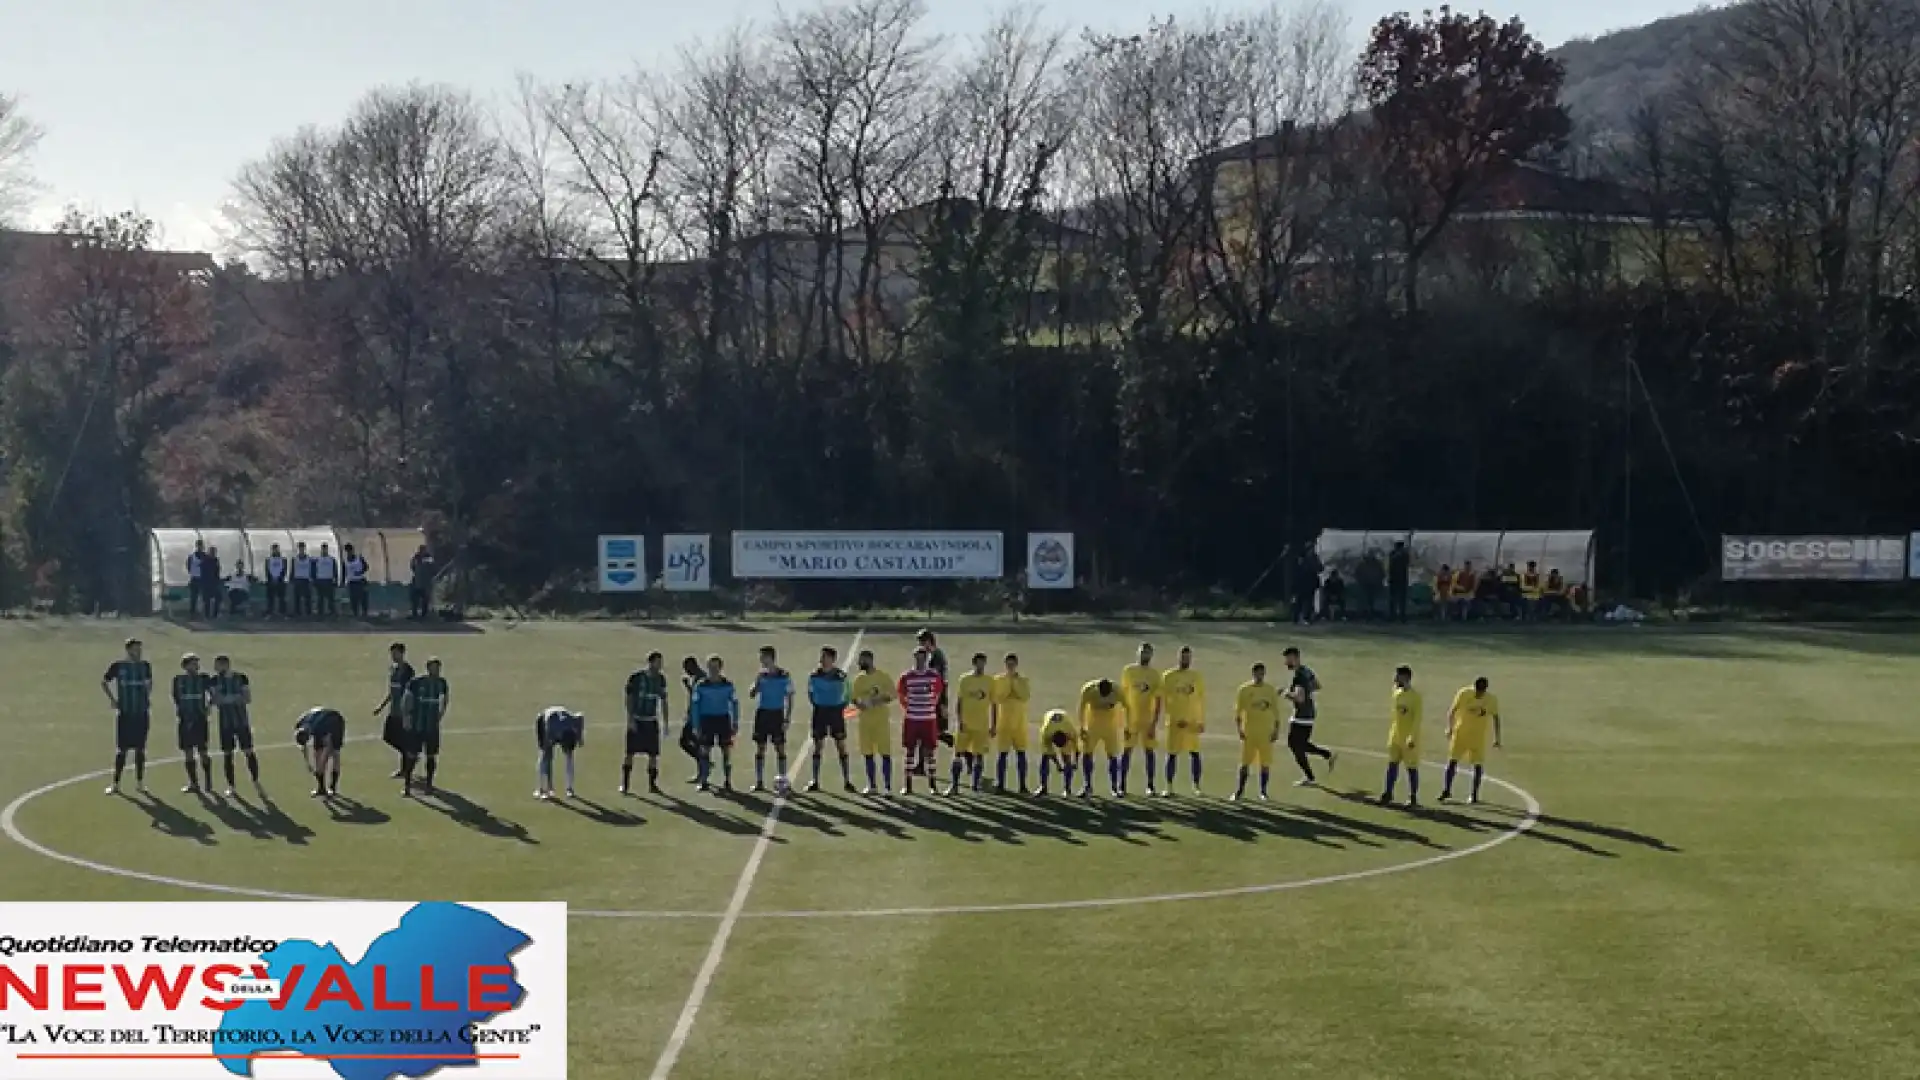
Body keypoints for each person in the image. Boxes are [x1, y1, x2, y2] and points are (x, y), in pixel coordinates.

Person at [102, 638, 154, 796]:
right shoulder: (118, 666)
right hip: (125, 714)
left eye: (140, 649)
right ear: (128, 650)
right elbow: (104, 682)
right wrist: (113, 700)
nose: (139, 652)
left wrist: (146, 697)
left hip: (141, 713)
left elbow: (149, 684)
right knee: (121, 750)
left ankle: (140, 783)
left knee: (140, 749)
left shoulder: (145, 666)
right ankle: (115, 784)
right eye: (136, 649)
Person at [1442, 677, 1502, 804]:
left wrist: (1497, 738)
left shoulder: (1491, 700)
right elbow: (1452, 711)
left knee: (1477, 766)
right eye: (1477, 691)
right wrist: (1449, 727)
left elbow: (1496, 717)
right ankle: (1446, 790)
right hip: (1460, 734)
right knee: (1452, 762)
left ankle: (1474, 795)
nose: (1478, 694)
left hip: (1478, 737)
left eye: (1481, 692)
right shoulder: (1464, 693)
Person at [804, 646, 855, 793]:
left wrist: (841, 706)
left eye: (825, 657)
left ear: (832, 659)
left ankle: (847, 780)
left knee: (841, 745)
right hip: (820, 712)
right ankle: (815, 780)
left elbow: (848, 693)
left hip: (835, 713)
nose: (821, 660)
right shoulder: (814, 675)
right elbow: (810, 693)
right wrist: (818, 704)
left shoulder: (841, 676)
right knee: (818, 745)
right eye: (821, 657)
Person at [1282, 646, 1335, 786]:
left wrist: (1286, 693)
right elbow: (1317, 685)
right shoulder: (1307, 671)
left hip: (1301, 715)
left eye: (1288, 659)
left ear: (1294, 658)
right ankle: (1326, 756)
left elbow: (1299, 698)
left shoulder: (1299, 676)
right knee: (1299, 744)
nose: (1286, 663)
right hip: (1309, 714)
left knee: (1295, 745)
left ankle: (1311, 775)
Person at [1231, 662, 1284, 802]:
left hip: (1266, 733)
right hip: (1249, 733)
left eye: (1262, 673)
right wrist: (1239, 730)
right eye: (1257, 673)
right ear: (1253, 673)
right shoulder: (1244, 690)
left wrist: (1276, 730)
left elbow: (1276, 711)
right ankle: (1239, 791)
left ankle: (1263, 792)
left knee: (1265, 764)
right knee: (1244, 763)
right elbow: (1238, 711)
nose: (1260, 676)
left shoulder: (1270, 690)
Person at [212, 654, 262, 799]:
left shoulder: (241, 678)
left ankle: (256, 781)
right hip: (225, 722)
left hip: (241, 721)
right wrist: (234, 698)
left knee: (248, 751)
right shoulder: (214, 680)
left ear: (225, 665)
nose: (216, 669)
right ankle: (231, 786)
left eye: (218, 665)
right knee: (227, 754)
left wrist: (226, 699)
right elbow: (215, 700)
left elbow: (247, 698)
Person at [896, 648, 945, 795]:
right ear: (914, 657)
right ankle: (907, 785)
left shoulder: (933, 675)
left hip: (928, 719)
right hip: (912, 718)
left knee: (929, 752)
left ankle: (932, 784)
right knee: (910, 751)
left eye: (923, 657)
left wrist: (930, 705)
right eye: (918, 657)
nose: (920, 660)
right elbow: (901, 694)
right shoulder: (906, 676)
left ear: (927, 658)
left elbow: (938, 692)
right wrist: (909, 707)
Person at [400, 658, 450, 797]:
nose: (436, 670)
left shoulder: (442, 683)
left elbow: (445, 698)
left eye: (438, 668)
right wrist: (406, 718)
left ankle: (429, 785)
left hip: (432, 727)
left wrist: (441, 714)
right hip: (417, 726)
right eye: (434, 667)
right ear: (428, 668)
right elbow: (406, 699)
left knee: (431, 756)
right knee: (411, 756)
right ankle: (407, 786)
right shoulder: (416, 683)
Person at [1160, 645, 1206, 796]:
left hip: (1192, 722)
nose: (1186, 660)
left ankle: (1196, 785)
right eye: (1183, 657)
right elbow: (1164, 700)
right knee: (1172, 754)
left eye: (1188, 657)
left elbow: (1200, 699)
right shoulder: (1168, 676)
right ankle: (1169, 786)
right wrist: (1173, 717)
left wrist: (1200, 721)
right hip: (1175, 722)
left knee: (1195, 753)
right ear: (1178, 657)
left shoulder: (1196, 677)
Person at [1119, 642, 1163, 798]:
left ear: (1151, 656)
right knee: (1126, 751)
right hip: (1131, 719)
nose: (1145, 656)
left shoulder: (1155, 675)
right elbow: (1122, 697)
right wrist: (1123, 720)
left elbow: (1158, 701)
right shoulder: (1128, 671)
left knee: (1149, 752)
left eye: (1148, 653)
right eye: (1142, 653)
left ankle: (1150, 786)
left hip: (1147, 719)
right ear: (1137, 653)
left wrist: (1154, 724)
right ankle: (1121, 785)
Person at [622, 652, 670, 795]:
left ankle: (652, 784)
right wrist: (630, 718)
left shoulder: (661, 679)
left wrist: (665, 722)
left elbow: (664, 700)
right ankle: (625, 784)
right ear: (650, 662)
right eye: (658, 662)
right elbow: (629, 698)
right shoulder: (636, 678)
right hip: (637, 719)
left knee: (653, 754)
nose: (660, 666)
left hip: (651, 720)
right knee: (630, 753)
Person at [748, 646, 793, 794]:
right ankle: (759, 781)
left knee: (780, 748)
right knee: (760, 748)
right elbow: (752, 694)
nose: (761, 660)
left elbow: (790, 697)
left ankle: (783, 779)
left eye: (763, 657)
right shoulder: (761, 675)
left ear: (770, 657)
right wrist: (755, 686)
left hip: (777, 714)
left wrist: (787, 718)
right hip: (762, 714)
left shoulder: (784, 675)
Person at [849, 650, 895, 796]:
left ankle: (887, 787)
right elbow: (854, 698)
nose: (860, 663)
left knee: (885, 754)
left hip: (881, 722)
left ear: (870, 660)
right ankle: (872, 785)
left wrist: (875, 701)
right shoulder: (858, 680)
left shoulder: (883, 677)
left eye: (862, 660)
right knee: (867, 754)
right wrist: (860, 704)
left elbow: (892, 695)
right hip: (865, 723)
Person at [690, 655, 739, 792]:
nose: (713, 670)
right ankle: (704, 780)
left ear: (720, 668)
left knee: (726, 751)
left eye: (716, 667)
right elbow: (695, 705)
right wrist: (695, 724)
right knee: (705, 750)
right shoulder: (701, 685)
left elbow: (734, 703)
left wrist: (735, 721)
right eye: (711, 667)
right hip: (706, 720)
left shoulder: (728, 685)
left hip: (723, 719)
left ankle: (727, 781)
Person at [1076, 677, 1129, 799]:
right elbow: (1081, 708)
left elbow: (1128, 707)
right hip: (1093, 725)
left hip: (1110, 727)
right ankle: (1087, 785)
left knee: (1113, 756)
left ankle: (1114, 787)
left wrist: (1127, 726)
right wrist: (1082, 727)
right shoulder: (1088, 689)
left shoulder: (1117, 691)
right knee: (1087, 754)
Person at [951, 653, 994, 794]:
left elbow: (994, 704)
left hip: (982, 725)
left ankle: (975, 785)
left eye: (983, 663)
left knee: (979, 755)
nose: (981, 666)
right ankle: (954, 785)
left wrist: (993, 725)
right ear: (974, 663)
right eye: (979, 663)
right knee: (957, 754)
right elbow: (959, 702)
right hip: (965, 724)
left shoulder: (990, 681)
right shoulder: (965, 679)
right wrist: (959, 720)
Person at [372, 643, 416, 779]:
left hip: (403, 712)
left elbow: (410, 692)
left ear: (402, 653)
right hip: (393, 710)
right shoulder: (393, 669)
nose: (393, 656)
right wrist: (381, 706)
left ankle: (405, 768)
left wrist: (408, 710)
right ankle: (410, 755)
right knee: (388, 737)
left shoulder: (408, 671)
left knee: (402, 739)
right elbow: (392, 691)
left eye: (395, 653)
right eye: (392, 653)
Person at [1381, 666, 1422, 808]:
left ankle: (1413, 796)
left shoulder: (1415, 698)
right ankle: (1388, 793)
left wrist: (1411, 737)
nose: (1395, 679)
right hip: (1395, 737)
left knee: (1411, 768)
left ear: (1406, 678)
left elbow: (1417, 719)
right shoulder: (1396, 693)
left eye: (1398, 677)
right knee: (1392, 766)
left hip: (1409, 740)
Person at [172, 654, 214, 795]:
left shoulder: (204, 678)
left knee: (203, 751)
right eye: (193, 663)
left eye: (197, 663)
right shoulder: (178, 680)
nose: (196, 665)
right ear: (185, 665)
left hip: (199, 719)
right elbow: (176, 697)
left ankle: (208, 781)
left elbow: (212, 693)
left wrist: (209, 706)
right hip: (185, 720)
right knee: (188, 751)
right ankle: (193, 783)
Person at [990, 653, 1032, 794]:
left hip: (1019, 723)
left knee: (1021, 754)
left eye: (1012, 664)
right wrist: (1010, 686)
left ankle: (1022, 784)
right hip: (1004, 723)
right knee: (1002, 754)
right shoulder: (998, 680)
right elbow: (998, 697)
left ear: (1016, 664)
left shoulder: (1023, 680)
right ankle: (1000, 783)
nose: (1010, 667)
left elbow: (1024, 696)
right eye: (1008, 664)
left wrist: (1014, 685)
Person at [533, 705, 585, 801]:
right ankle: (542, 789)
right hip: (543, 720)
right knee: (545, 756)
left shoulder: (573, 723)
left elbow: (580, 716)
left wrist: (580, 738)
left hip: (560, 723)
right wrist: (550, 788)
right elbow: (547, 753)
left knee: (569, 757)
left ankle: (569, 788)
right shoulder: (550, 729)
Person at [293, 706, 346, 798]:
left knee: (335, 753)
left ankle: (333, 787)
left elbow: (328, 747)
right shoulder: (299, 724)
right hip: (320, 722)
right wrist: (308, 763)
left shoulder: (321, 727)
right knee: (317, 754)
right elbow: (303, 746)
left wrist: (322, 764)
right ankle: (321, 788)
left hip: (335, 722)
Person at [915, 629, 951, 747]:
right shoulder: (932, 655)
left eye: (922, 642)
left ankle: (960, 748)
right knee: (931, 731)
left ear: (929, 641)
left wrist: (939, 701)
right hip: (934, 696)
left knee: (934, 731)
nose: (920, 645)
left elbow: (937, 680)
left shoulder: (936, 656)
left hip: (937, 697)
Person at [1035, 708, 1080, 796]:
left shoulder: (1071, 732)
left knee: (1067, 759)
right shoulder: (1046, 733)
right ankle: (1043, 787)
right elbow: (1048, 751)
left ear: (1067, 738)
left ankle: (1067, 789)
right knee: (1045, 758)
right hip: (1049, 717)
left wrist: (1076, 762)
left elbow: (1077, 749)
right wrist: (1058, 764)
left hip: (1064, 718)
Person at [343, 544, 372, 618]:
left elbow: (366, 567)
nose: (349, 552)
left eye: (350, 550)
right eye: (347, 551)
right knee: (354, 599)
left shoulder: (359, 558)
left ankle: (364, 613)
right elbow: (344, 571)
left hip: (360, 580)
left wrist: (360, 572)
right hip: (352, 582)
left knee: (363, 598)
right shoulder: (346, 561)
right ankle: (355, 613)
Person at [1356, 550, 1386, 620]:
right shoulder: (1363, 565)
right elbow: (1357, 574)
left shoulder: (1377, 564)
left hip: (1373, 585)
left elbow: (1382, 574)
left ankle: (1370, 613)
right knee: (1367, 600)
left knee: (1371, 600)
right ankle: (1367, 613)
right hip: (1366, 585)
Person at [409, 547, 436, 620]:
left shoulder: (428, 558)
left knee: (425, 599)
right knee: (415, 599)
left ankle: (424, 614)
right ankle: (415, 614)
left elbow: (432, 568)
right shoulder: (416, 557)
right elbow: (412, 567)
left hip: (424, 582)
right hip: (418, 581)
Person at [263, 543, 289, 617]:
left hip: (280, 581)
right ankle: (270, 612)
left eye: (276, 549)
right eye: (274, 549)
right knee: (270, 598)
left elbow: (284, 570)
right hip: (271, 581)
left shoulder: (283, 559)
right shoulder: (268, 560)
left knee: (282, 598)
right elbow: (267, 570)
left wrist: (279, 578)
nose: (275, 551)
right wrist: (271, 579)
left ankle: (282, 612)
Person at [1387, 541, 1411, 621]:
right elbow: (1390, 563)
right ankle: (1392, 615)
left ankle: (1402, 615)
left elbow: (1407, 563)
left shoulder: (1405, 555)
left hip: (1402, 579)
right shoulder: (1393, 554)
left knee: (1402, 599)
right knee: (1393, 599)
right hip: (1394, 579)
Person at [314, 543, 340, 617]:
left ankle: (332, 612)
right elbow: (314, 570)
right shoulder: (317, 560)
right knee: (320, 598)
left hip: (329, 580)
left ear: (327, 549)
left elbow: (335, 571)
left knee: (330, 598)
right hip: (320, 580)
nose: (324, 550)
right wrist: (315, 580)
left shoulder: (331, 559)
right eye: (323, 549)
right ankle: (320, 612)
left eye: (325, 549)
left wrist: (336, 580)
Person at [199, 545, 223, 618]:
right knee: (207, 600)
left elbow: (217, 571)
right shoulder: (205, 561)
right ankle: (207, 615)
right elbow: (203, 572)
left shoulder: (215, 560)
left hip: (213, 583)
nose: (213, 554)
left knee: (218, 598)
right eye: (212, 552)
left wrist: (217, 580)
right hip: (206, 583)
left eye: (214, 552)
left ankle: (214, 614)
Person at [292, 542, 315, 617]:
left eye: (302, 548)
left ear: (304, 548)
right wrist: (292, 579)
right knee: (297, 597)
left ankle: (308, 612)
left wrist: (312, 578)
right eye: (300, 548)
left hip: (306, 579)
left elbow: (312, 569)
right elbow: (292, 569)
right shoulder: (295, 559)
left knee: (307, 597)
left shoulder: (309, 559)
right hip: (298, 579)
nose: (301, 549)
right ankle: (297, 612)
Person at [185, 541, 205, 619]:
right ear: (196, 546)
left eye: (201, 546)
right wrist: (192, 572)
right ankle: (192, 613)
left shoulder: (205, 556)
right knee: (193, 597)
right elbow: (188, 566)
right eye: (198, 546)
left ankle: (201, 612)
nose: (200, 547)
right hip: (194, 578)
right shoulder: (191, 556)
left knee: (203, 596)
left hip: (202, 579)